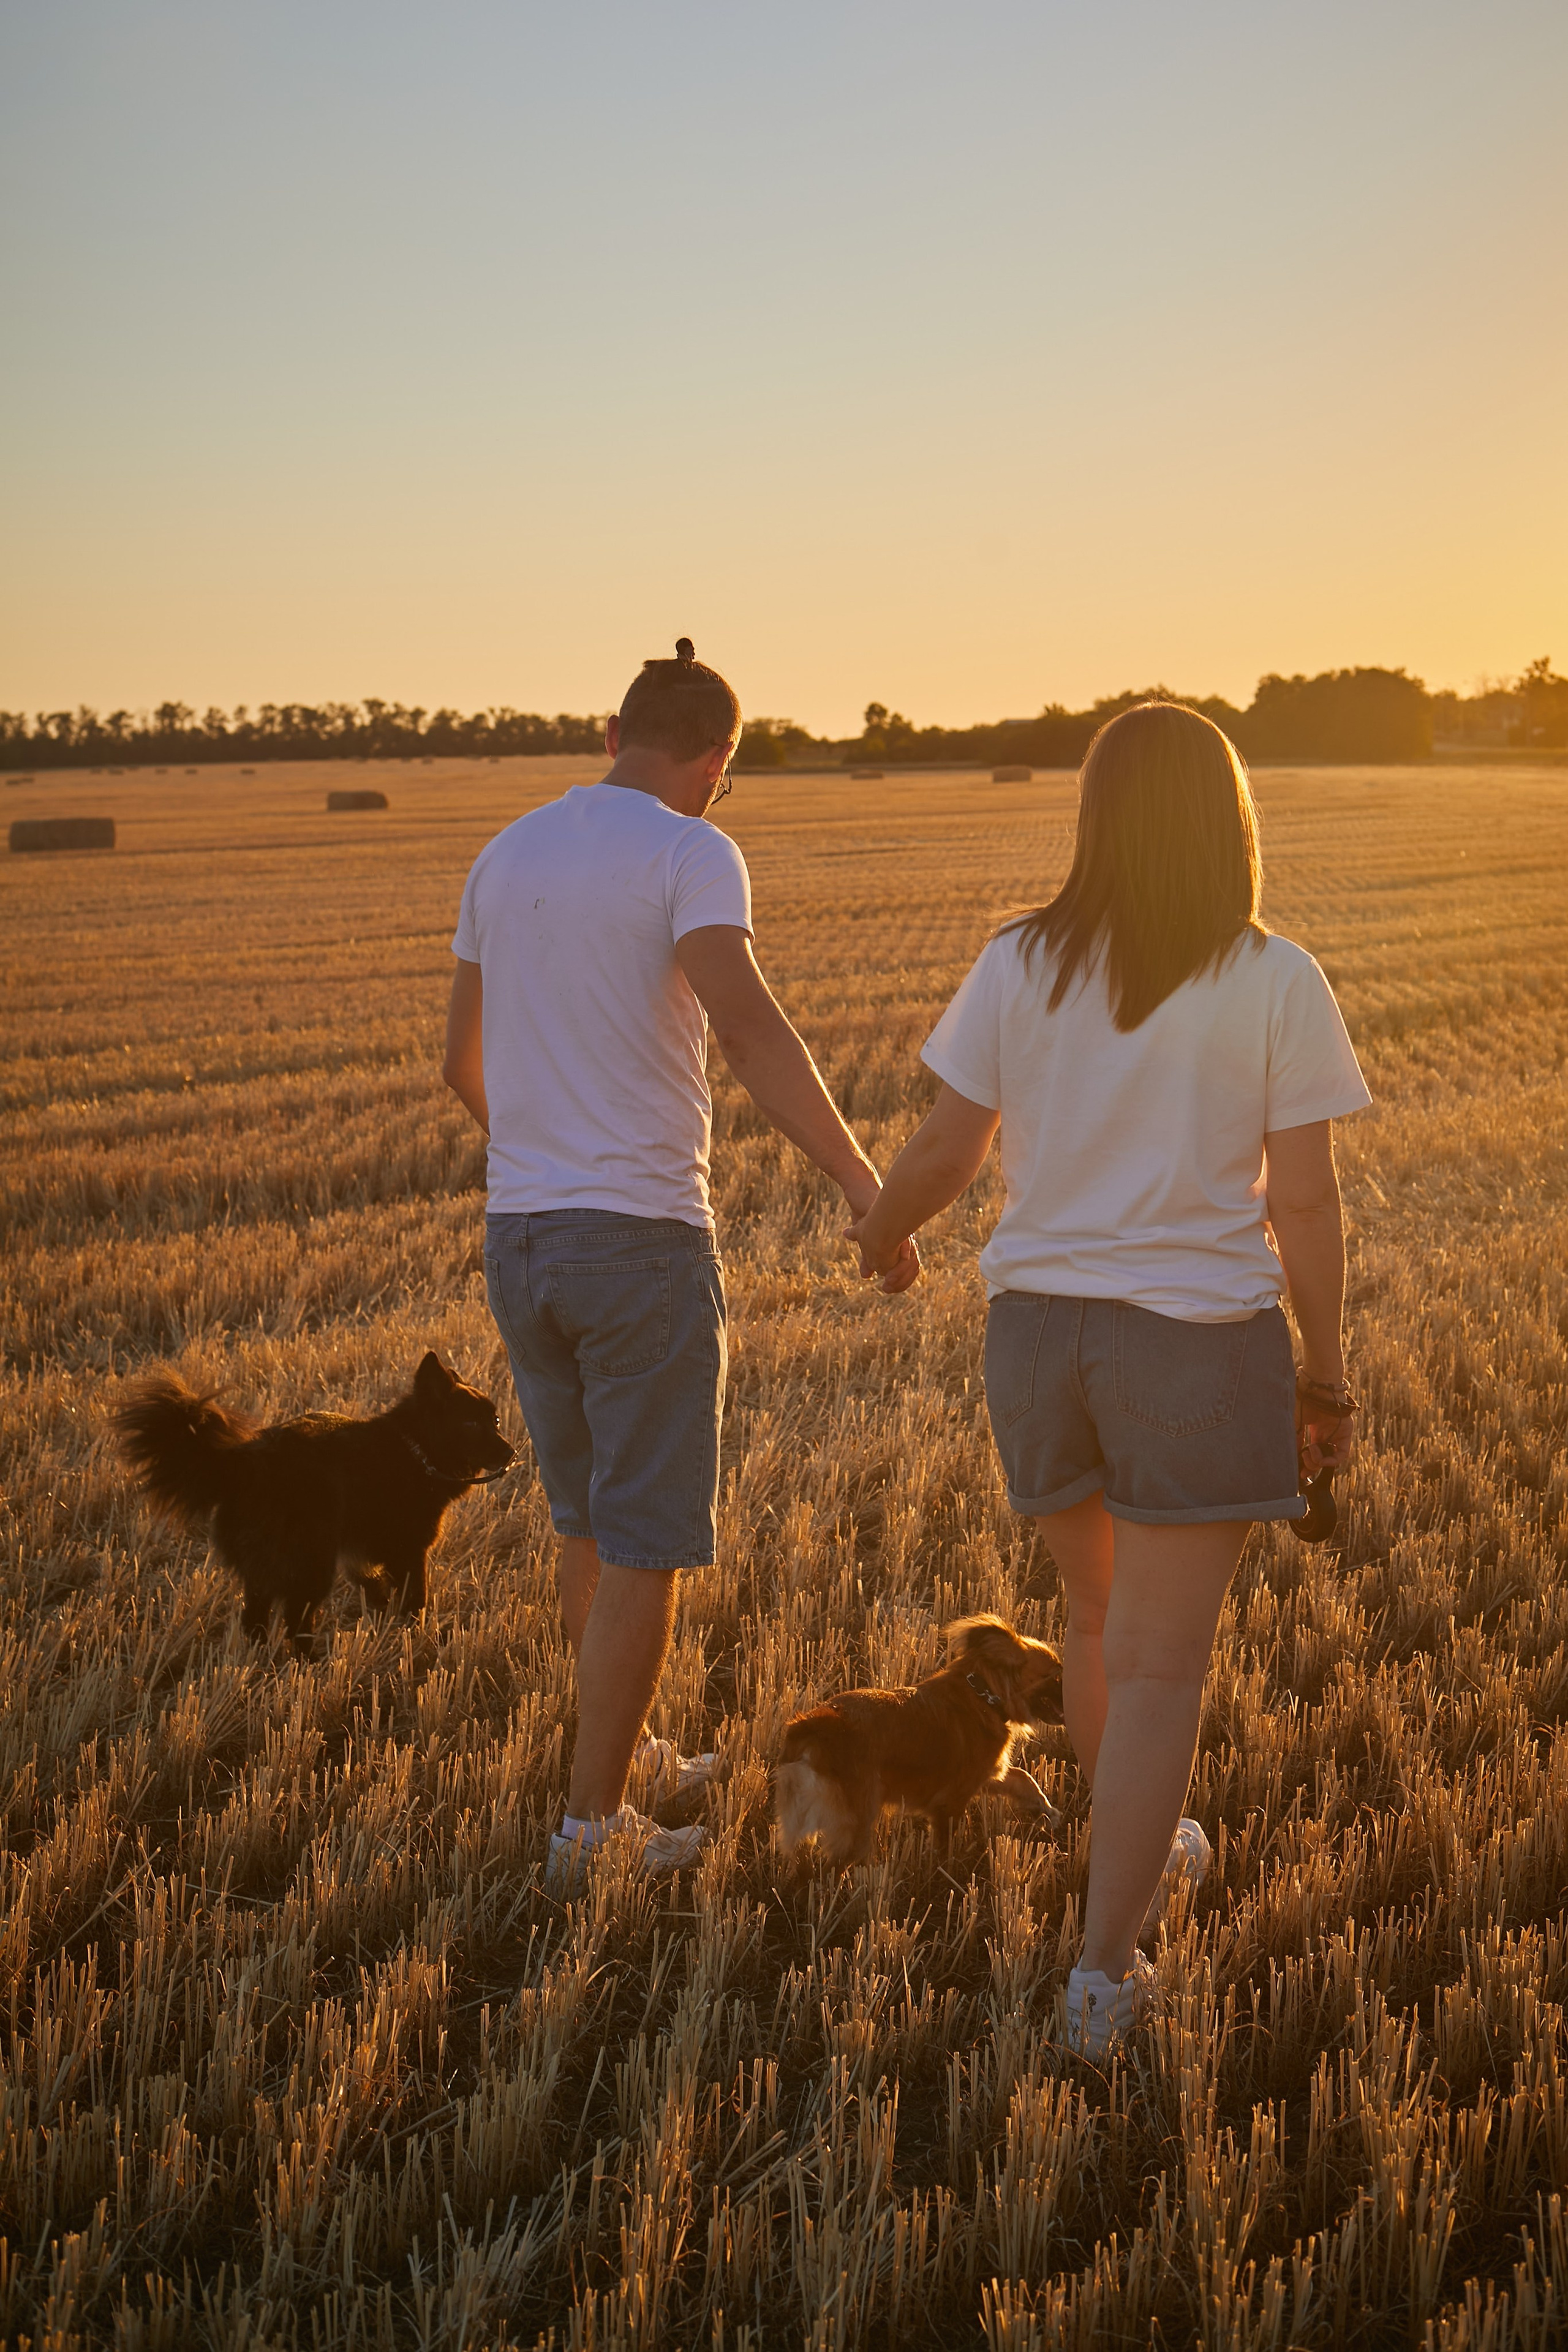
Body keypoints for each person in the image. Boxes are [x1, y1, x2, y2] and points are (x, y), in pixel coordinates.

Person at [850, 701, 1369, 2052]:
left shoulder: (1020, 960)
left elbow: (949, 1145)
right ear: (1229, 823)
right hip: (1190, 1341)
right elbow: (1302, 1210)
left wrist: (884, 1228)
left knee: (1091, 1620)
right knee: (1154, 1674)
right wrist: (1325, 1371)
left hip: (1035, 1340)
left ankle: (1129, 1838)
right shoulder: (1272, 978)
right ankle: (1101, 1976)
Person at [443, 640, 911, 1890]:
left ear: (610, 732)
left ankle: (632, 1755)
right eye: (723, 774)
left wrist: (542, 1158)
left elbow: (459, 1064)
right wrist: (866, 1185)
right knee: (645, 1541)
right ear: (714, 759)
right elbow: (749, 1030)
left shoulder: (505, 853)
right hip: (638, 1241)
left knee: (585, 1522)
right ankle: (593, 1831)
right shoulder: (688, 849)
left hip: (521, 1239)